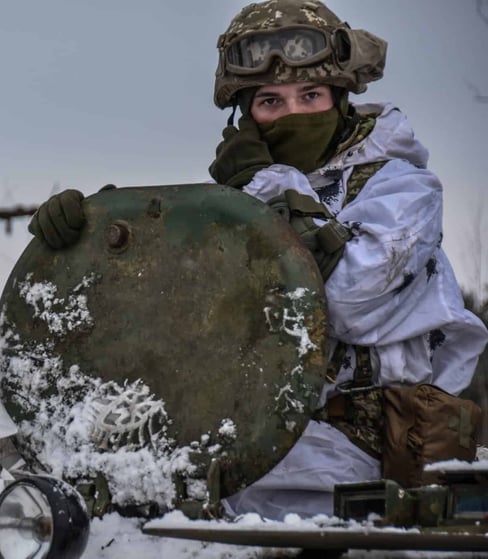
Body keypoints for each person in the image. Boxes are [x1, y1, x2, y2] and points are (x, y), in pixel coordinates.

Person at [27, 0, 488, 520]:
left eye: (310, 95)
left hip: (351, 462)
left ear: (342, 99)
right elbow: (161, 316)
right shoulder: (238, 204)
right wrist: (87, 239)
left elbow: (345, 302)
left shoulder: (402, 190)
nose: (291, 114)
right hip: (236, 448)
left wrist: (263, 187)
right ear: (246, 116)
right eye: (270, 101)